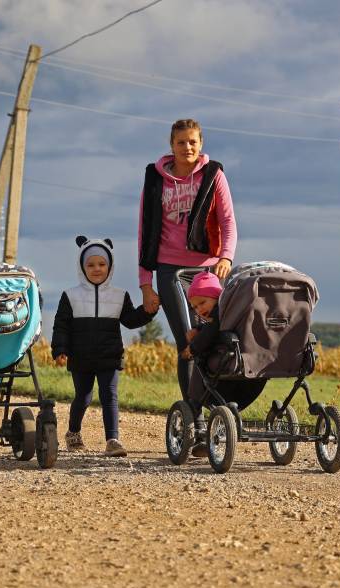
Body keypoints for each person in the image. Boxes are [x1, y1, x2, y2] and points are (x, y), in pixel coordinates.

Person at [138, 118, 237, 403]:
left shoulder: (213, 174)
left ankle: (215, 412)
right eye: (181, 142)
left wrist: (226, 257)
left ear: (201, 144)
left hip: (206, 268)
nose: (187, 147)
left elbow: (228, 220)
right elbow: (145, 230)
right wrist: (146, 283)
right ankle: (195, 420)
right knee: (188, 343)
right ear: (172, 146)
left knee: (208, 340)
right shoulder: (155, 178)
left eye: (192, 141)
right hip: (169, 268)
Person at [52, 236, 156, 457]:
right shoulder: (70, 296)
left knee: (109, 395)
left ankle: (113, 440)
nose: (96, 269)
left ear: (110, 266)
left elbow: (130, 319)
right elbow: (61, 325)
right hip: (81, 358)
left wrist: (149, 310)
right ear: (82, 267)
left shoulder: (119, 296)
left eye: (101, 264)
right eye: (90, 264)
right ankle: (73, 432)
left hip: (109, 356)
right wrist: (60, 349)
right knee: (84, 397)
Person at [181, 271, 265, 456]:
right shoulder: (233, 314)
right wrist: (200, 330)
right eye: (194, 307)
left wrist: (192, 348)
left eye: (202, 302)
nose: (198, 309)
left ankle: (196, 405)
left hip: (230, 361)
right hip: (261, 363)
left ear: (218, 296)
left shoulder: (221, 311)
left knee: (200, 361)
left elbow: (212, 332)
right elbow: (217, 327)